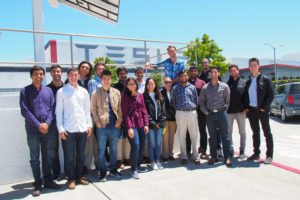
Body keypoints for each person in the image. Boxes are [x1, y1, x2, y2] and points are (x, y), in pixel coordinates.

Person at [20, 66, 61, 196]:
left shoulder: (48, 91)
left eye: (41, 74)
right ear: (31, 76)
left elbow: (52, 107)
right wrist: (39, 125)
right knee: (34, 157)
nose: (39, 77)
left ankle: (48, 180)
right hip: (33, 130)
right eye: (36, 74)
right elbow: (25, 110)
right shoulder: (25, 91)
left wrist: (47, 123)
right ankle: (37, 184)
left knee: (48, 155)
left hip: (47, 129)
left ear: (44, 76)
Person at [56, 67, 92, 189]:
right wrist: (60, 128)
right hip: (68, 130)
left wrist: (89, 125)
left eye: (75, 74)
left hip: (82, 128)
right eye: (71, 75)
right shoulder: (62, 92)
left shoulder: (84, 91)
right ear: (67, 76)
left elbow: (87, 110)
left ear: (78, 76)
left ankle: (79, 176)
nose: (73, 77)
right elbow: (58, 111)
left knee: (81, 155)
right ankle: (71, 179)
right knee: (69, 156)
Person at [91, 70, 123, 182]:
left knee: (114, 149)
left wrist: (119, 121)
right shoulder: (95, 93)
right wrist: (97, 123)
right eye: (104, 78)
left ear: (111, 79)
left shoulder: (116, 92)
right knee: (101, 149)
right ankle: (102, 172)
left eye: (108, 78)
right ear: (101, 80)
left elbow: (120, 108)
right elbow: (93, 109)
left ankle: (113, 169)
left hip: (114, 126)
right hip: (102, 127)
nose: (106, 81)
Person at [199, 66, 232, 166]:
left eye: (215, 72)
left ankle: (227, 157)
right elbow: (201, 102)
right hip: (210, 114)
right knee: (212, 137)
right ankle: (213, 157)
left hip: (222, 113)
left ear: (218, 74)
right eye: (211, 72)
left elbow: (227, 100)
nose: (213, 74)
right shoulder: (205, 88)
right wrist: (206, 112)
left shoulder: (224, 86)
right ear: (209, 74)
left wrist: (223, 109)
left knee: (225, 136)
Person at [245, 58, 274, 164]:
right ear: (249, 67)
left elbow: (271, 94)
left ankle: (269, 155)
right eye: (251, 65)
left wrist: (265, 107)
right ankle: (256, 153)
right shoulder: (248, 81)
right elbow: (245, 96)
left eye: (255, 65)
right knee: (255, 133)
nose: (253, 67)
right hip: (252, 110)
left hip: (262, 110)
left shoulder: (265, 79)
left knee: (267, 133)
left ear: (258, 66)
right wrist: (247, 107)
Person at [121, 78, 149, 179]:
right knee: (136, 145)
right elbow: (125, 114)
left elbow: (144, 110)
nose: (132, 86)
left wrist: (146, 124)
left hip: (141, 123)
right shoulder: (124, 97)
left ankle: (138, 165)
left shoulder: (140, 95)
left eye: (133, 84)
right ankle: (133, 170)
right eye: (129, 84)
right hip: (132, 125)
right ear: (127, 86)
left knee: (141, 145)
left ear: (136, 85)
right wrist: (129, 128)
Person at [171, 70, 200, 165]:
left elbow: (195, 100)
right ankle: (184, 156)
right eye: (182, 76)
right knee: (182, 135)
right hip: (180, 113)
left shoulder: (192, 88)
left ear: (187, 77)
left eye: (185, 75)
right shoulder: (175, 88)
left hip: (192, 112)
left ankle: (195, 156)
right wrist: (179, 109)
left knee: (194, 135)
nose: (184, 77)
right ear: (179, 78)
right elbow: (173, 101)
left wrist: (193, 108)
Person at [198, 58, 223, 157]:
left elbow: (220, 88)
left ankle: (218, 148)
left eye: (206, 62)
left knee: (216, 130)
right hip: (203, 107)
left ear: (209, 64)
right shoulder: (199, 75)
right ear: (201, 64)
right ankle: (203, 148)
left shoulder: (213, 73)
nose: (204, 64)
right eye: (202, 62)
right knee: (202, 130)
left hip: (213, 107)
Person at [84, 62, 106, 174]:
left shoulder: (107, 82)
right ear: (95, 71)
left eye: (102, 69)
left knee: (101, 142)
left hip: (105, 116)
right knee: (92, 141)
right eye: (98, 69)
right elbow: (93, 98)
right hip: (95, 115)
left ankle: (101, 165)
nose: (100, 71)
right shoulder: (93, 82)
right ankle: (89, 166)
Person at [143, 78, 166, 170]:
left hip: (160, 124)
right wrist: (152, 123)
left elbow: (163, 111)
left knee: (158, 143)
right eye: (148, 84)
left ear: (155, 85)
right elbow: (145, 112)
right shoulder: (144, 97)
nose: (150, 85)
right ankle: (152, 162)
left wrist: (160, 122)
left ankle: (158, 161)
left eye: (152, 84)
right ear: (146, 85)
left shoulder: (160, 96)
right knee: (151, 143)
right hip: (150, 125)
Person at [227, 64, 248, 159]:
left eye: (234, 70)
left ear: (238, 71)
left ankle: (242, 151)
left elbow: (247, 96)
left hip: (241, 112)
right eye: (231, 71)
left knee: (242, 132)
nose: (233, 72)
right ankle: (231, 149)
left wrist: (246, 108)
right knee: (229, 132)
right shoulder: (227, 84)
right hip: (230, 112)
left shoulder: (244, 82)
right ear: (229, 72)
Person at [186, 66, 207, 159]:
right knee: (188, 131)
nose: (194, 72)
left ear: (197, 72)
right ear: (189, 72)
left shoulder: (202, 83)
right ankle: (188, 150)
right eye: (192, 71)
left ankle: (203, 150)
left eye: (195, 71)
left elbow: (207, 95)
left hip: (201, 109)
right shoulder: (186, 83)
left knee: (202, 130)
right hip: (190, 110)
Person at [47, 65, 63, 180]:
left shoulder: (67, 87)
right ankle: (56, 173)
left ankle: (69, 172)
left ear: (61, 73)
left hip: (66, 121)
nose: (56, 73)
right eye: (54, 72)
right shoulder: (47, 89)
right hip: (52, 122)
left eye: (58, 71)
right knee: (53, 148)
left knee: (69, 149)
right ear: (51, 73)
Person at [114, 67, 131, 169]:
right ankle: (119, 160)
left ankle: (128, 157)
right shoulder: (115, 87)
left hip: (130, 115)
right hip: (120, 115)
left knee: (129, 137)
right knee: (120, 139)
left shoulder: (130, 85)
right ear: (118, 75)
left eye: (125, 73)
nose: (123, 75)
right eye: (121, 74)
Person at [161, 77, 177, 161]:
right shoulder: (160, 93)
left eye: (169, 82)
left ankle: (171, 153)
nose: (168, 84)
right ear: (163, 83)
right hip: (165, 119)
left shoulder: (174, 92)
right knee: (165, 137)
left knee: (171, 137)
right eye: (166, 82)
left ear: (172, 83)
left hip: (173, 118)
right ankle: (165, 155)